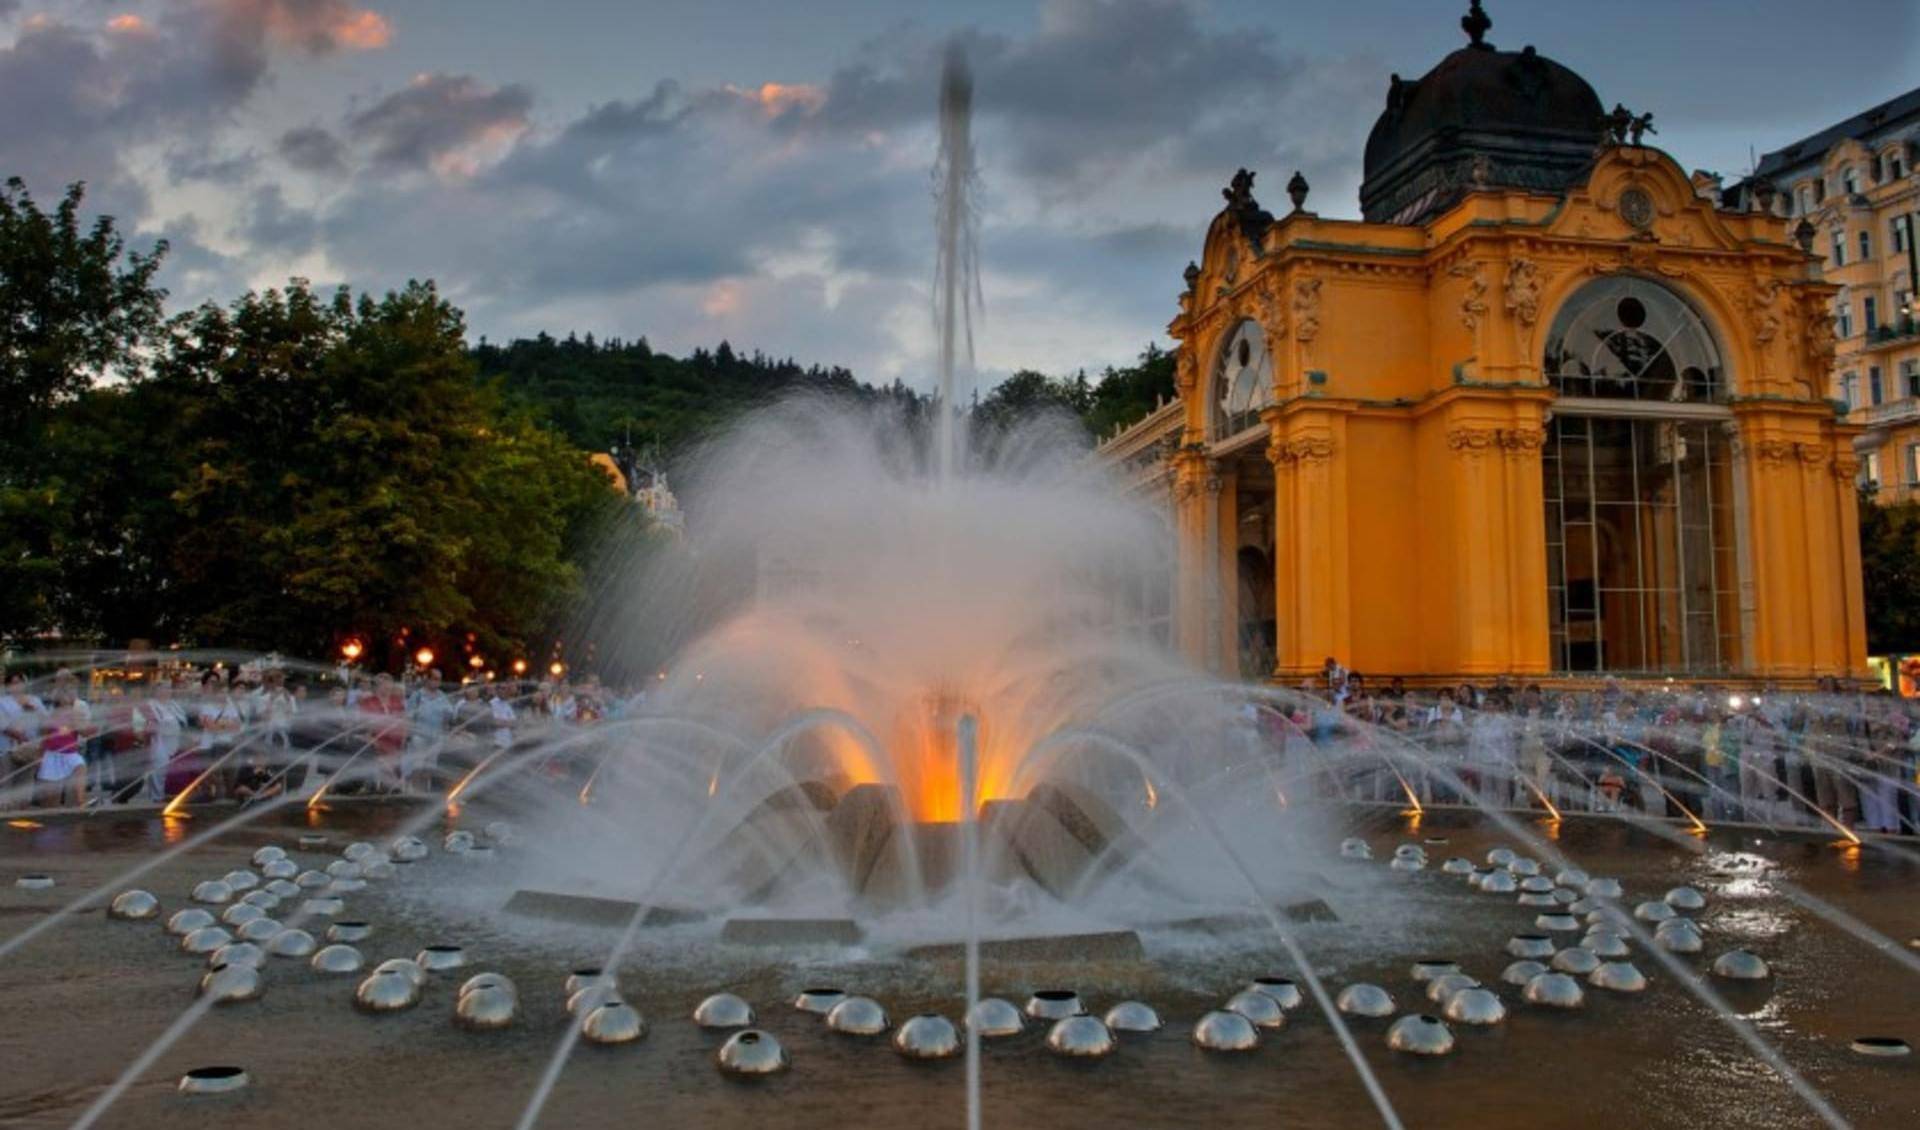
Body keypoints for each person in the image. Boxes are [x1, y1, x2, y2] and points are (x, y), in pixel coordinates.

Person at [35, 688, 88, 807]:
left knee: (80, 767)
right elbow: (43, 736)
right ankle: (50, 819)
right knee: (51, 800)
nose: (67, 697)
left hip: (70, 754)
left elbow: (85, 733)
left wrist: (78, 725)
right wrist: (39, 757)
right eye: (64, 695)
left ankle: (81, 803)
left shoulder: (76, 715)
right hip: (52, 756)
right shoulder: (51, 715)